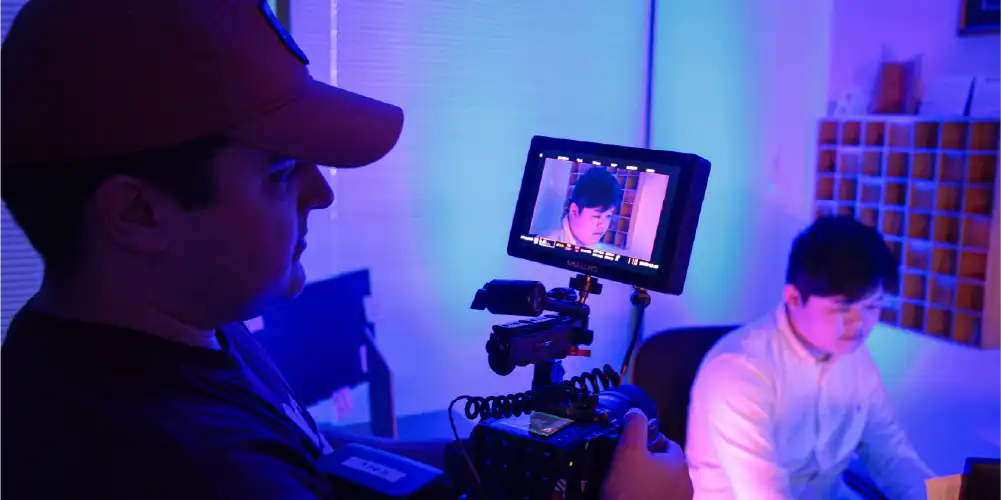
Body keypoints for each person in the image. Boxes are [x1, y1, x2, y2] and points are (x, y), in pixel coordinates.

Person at [0, 0, 692, 498]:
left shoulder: (182, 327)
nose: (320, 193)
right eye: (279, 172)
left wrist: (491, 458)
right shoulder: (190, 467)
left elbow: (317, 453)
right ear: (139, 212)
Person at [685, 216, 934, 500]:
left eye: (872, 307)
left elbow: (890, 456)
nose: (859, 324)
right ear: (793, 298)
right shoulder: (738, 371)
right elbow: (763, 493)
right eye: (842, 308)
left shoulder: (853, 357)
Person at [543, 166, 623, 251]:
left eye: (608, 216)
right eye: (597, 216)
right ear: (574, 211)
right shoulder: (545, 246)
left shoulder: (606, 252)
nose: (603, 225)